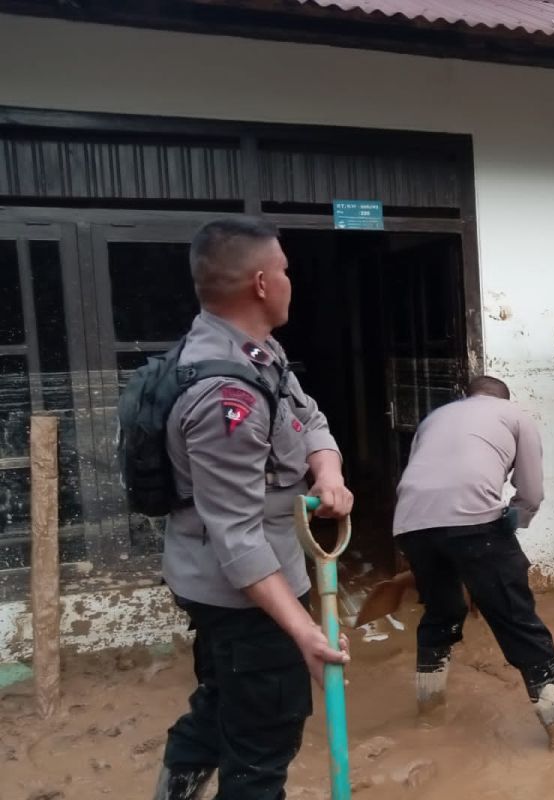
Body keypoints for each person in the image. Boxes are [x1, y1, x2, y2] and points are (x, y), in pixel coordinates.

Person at [155, 218, 354, 800]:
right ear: (263, 283)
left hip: (238, 584)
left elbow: (309, 416)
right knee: (263, 742)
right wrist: (304, 632)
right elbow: (236, 539)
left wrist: (329, 471)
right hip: (246, 596)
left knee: (224, 700)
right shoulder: (226, 396)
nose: (293, 279)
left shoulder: (257, 353)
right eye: (287, 269)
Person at [391, 376, 554, 752]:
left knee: (441, 613)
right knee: (518, 621)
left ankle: (429, 715)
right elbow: (530, 490)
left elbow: (424, 475)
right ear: (505, 399)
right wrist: (517, 519)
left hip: (411, 524)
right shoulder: (515, 416)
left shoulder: (435, 417)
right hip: (475, 523)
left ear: (468, 396)